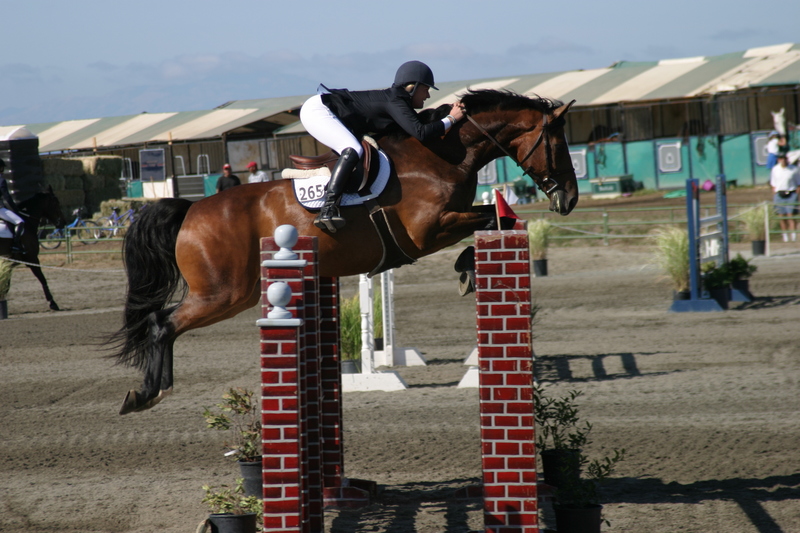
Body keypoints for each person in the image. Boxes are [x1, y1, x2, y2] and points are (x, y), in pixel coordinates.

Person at [299, 60, 466, 233]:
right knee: (353, 149)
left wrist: (448, 112)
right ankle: (328, 207)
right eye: (426, 89)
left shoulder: (398, 101)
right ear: (412, 87)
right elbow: (421, 132)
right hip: (318, 110)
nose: (428, 96)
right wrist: (452, 119)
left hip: (328, 110)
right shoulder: (396, 101)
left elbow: (420, 126)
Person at [769, 153, 800, 242]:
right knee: (781, 216)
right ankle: (785, 235)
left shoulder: (794, 169)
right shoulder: (775, 169)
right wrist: (775, 192)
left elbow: (798, 183)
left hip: (791, 193)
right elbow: (773, 183)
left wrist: (796, 193)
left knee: (790, 215)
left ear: (787, 159)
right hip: (779, 194)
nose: (783, 160)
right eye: (781, 158)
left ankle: (793, 235)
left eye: (784, 158)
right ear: (778, 160)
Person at [0, 158, 25, 253]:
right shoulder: (1, 180)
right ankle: (15, 245)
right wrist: (15, 209)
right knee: (20, 221)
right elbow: (7, 197)